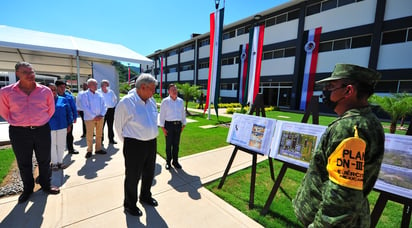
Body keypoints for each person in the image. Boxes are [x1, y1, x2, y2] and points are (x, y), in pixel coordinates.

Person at [292, 64, 385, 227]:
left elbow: (340, 200)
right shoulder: (366, 121)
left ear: (348, 91)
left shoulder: (349, 129)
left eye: (331, 86)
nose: (325, 91)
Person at [0, 61, 60, 203]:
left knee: (45, 160)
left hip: (42, 130)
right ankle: (28, 189)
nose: (30, 75)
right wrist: (19, 123)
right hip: (18, 132)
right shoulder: (6, 92)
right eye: (25, 72)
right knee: (23, 162)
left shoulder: (45, 91)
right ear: (17, 74)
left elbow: (50, 111)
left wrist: (39, 121)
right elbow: (4, 112)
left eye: (31, 71)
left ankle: (46, 184)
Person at [114, 73, 159, 217]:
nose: (154, 92)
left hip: (151, 143)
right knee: (133, 176)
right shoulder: (126, 103)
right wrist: (130, 141)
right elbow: (118, 127)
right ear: (143, 87)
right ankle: (130, 204)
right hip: (134, 145)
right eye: (152, 89)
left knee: (149, 173)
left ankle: (145, 196)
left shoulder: (151, 100)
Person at [159, 84, 186, 170]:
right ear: (169, 91)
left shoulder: (180, 101)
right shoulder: (165, 101)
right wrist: (162, 127)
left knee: (176, 145)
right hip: (168, 126)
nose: (175, 91)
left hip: (178, 125)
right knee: (168, 145)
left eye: (175, 89)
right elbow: (162, 115)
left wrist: (184, 124)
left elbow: (183, 113)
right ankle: (168, 162)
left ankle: (175, 161)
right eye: (172, 90)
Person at [47, 83, 73, 170]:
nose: (52, 91)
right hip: (50, 126)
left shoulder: (63, 99)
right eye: (50, 90)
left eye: (54, 89)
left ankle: (60, 162)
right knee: (52, 145)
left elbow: (68, 112)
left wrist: (70, 123)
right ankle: (54, 163)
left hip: (62, 125)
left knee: (61, 144)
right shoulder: (44, 100)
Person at [81, 78, 107, 158]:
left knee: (99, 134)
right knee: (89, 135)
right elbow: (85, 107)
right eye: (94, 84)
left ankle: (98, 149)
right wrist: (93, 116)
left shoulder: (99, 94)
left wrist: (102, 114)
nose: (96, 86)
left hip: (100, 118)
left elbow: (104, 105)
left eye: (96, 84)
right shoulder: (84, 95)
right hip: (89, 119)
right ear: (89, 85)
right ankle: (89, 150)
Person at [55, 80, 78, 154]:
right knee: (56, 136)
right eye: (61, 87)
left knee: (69, 135)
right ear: (57, 87)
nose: (63, 89)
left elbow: (73, 107)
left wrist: (75, 117)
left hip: (68, 119)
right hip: (56, 119)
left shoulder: (69, 96)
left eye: (64, 87)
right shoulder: (53, 96)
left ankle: (71, 149)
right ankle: (56, 151)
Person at [98, 79, 118, 144]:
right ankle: (101, 140)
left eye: (108, 85)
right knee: (101, 126)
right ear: (102, 86)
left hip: (110, 110)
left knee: (110, 125)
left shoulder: (111, 92)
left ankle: (111, 139)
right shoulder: (98, 92)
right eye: (107, 85)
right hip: (102, 111)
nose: (108, 86)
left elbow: (115, 99)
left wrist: (113, 106)